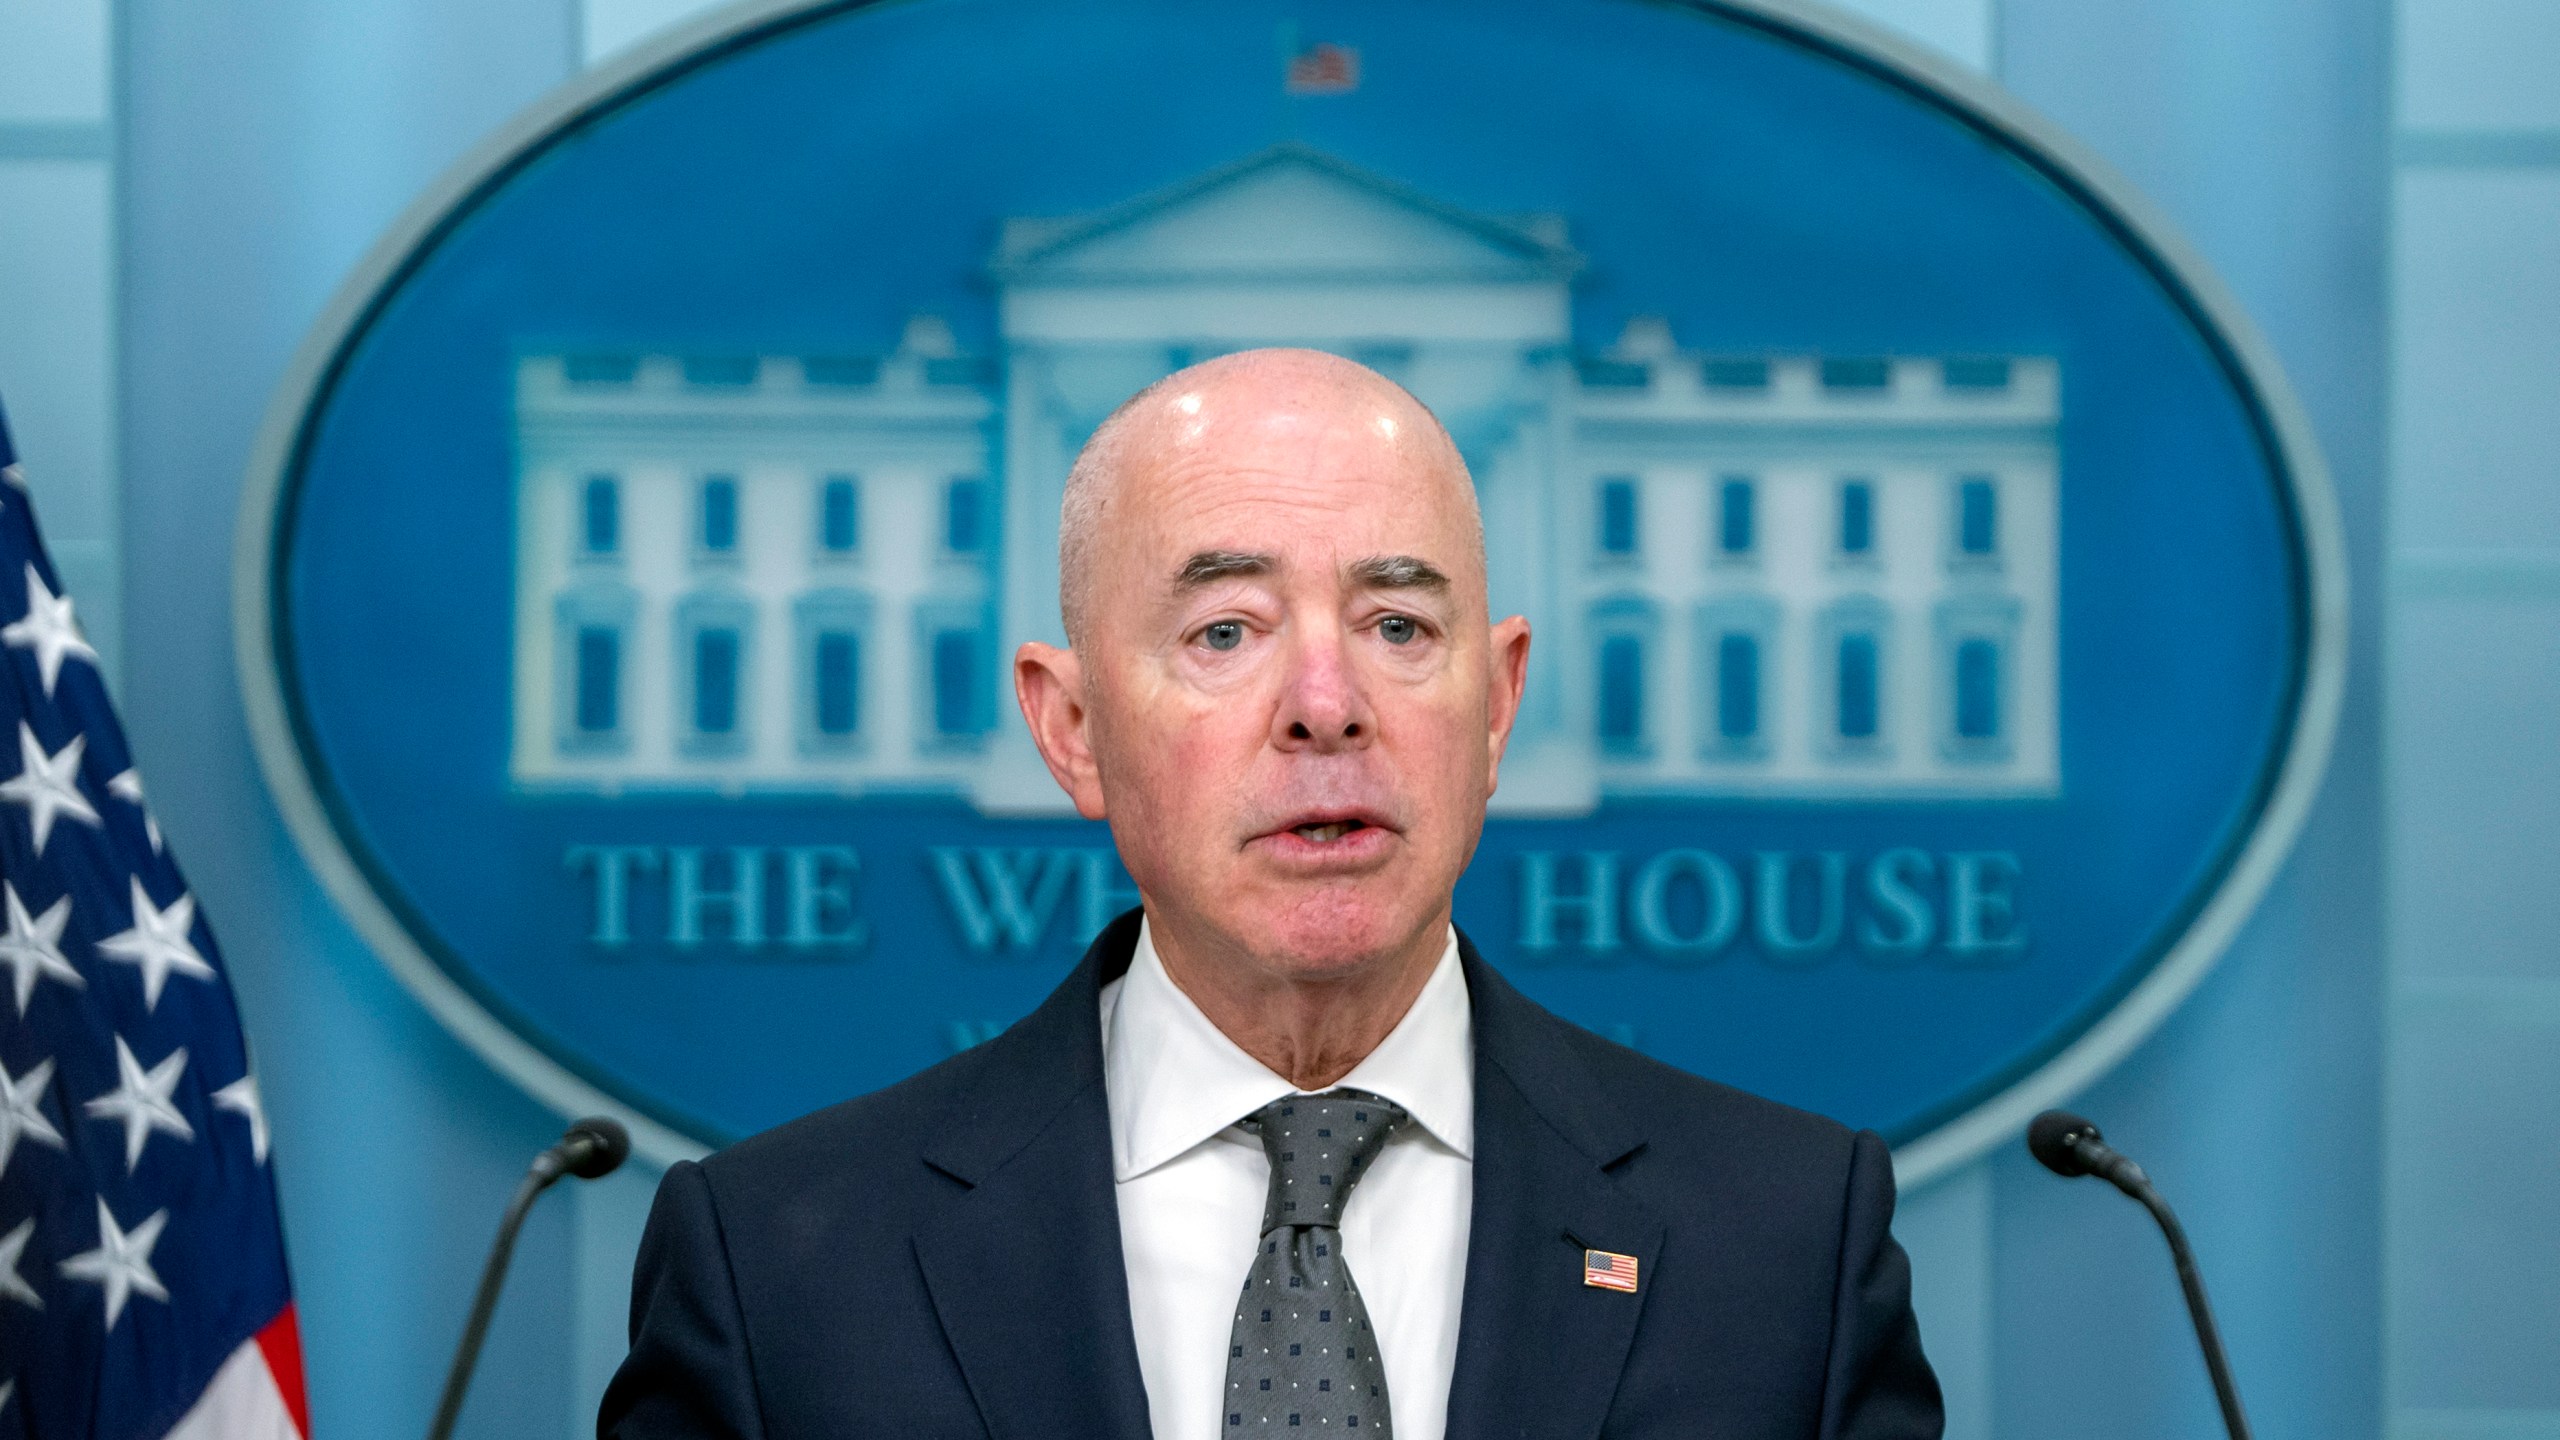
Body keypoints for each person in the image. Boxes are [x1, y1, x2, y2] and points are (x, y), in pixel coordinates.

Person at [599, 350, 1942, 1439]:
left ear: (1499, 706)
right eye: (1226, 632)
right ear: (1071, 729)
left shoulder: (1783, 1244)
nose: (1324, 708)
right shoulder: (780, 1267)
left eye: (1400, 629)